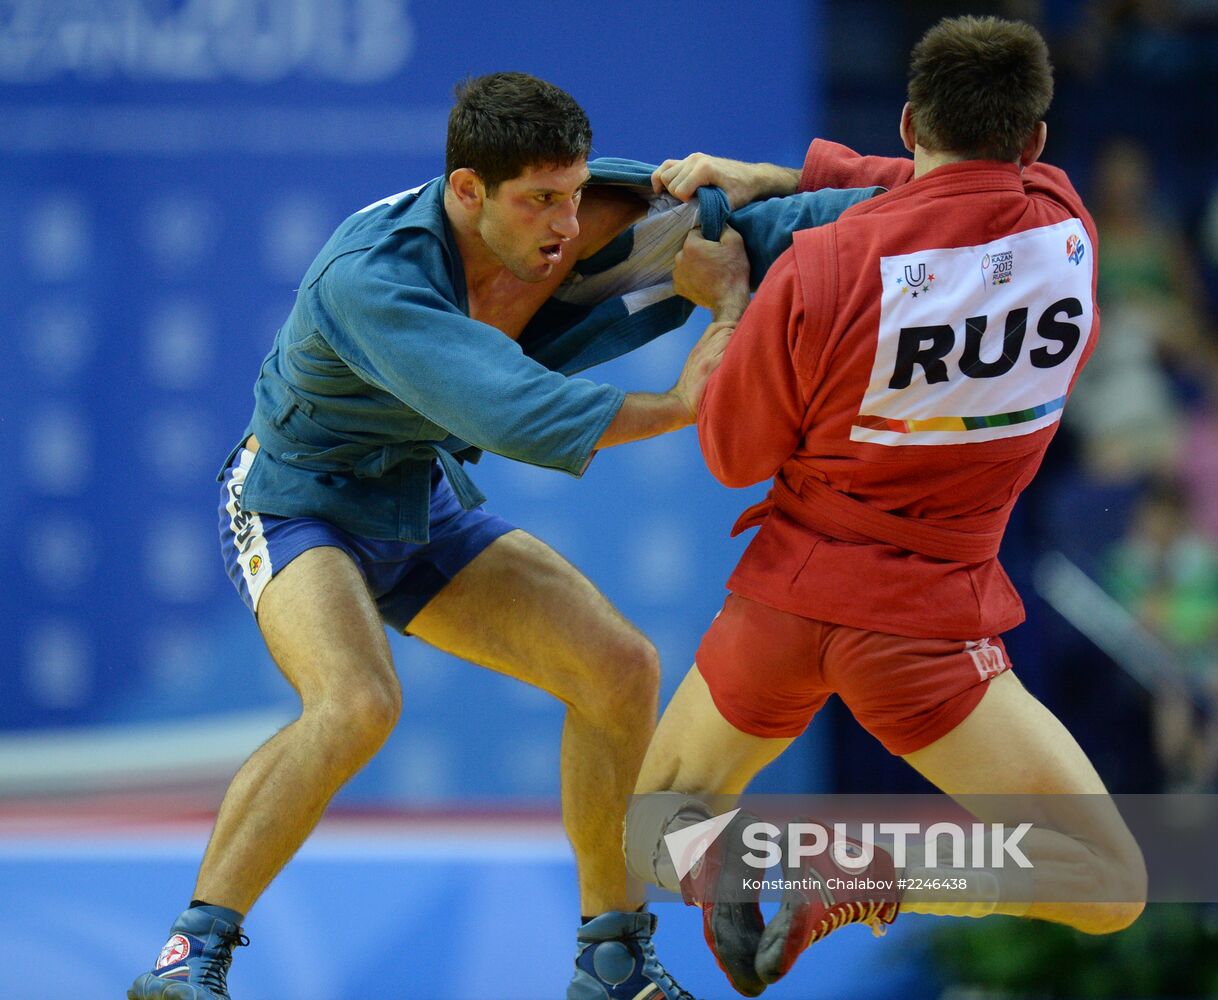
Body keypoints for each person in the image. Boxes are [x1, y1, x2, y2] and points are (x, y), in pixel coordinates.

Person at [127, 72, 880, 1000]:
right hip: (296, 500)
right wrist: (703, 361)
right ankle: (186, 958)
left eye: (573, 194)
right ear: (465, 191)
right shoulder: (373, 278)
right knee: (356, 702)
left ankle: (612, 963)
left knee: (618, 668)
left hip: (416, 496)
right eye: (538, 202)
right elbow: (518, 412)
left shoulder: (608, 210)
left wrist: (952, 199)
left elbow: (792, 221)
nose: (564, 225)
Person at [623, 17, 1147, 997]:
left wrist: (729, 304)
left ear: (909, 123)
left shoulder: (819, 266)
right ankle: (876, 871)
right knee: (1108, 879)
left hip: (785, 605)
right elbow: (941, 191)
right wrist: (782, 178)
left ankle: (735, 860)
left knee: (654, 824)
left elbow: (732, 457)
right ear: (1035, 141)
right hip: (924, 630)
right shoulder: (1066, 229)